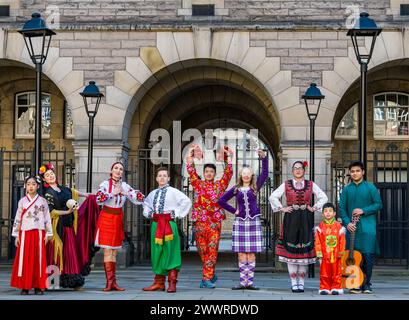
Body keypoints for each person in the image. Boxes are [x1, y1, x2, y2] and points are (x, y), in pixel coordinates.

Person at [269, 161, 328, 293]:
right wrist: (282, 208)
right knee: (291, 249)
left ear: (304, 170)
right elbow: (273, 196)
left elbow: (323, 197)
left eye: (300, 168)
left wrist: (314, 207)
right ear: (292, 170)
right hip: (291, 218)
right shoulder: (286, 184)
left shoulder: (310, 184)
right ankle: (293, 283)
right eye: (295, 168)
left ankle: (301, 283)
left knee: (304, 249)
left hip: (306, 218)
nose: (298, 170)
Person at [218, 149, 268, 290]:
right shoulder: (236, 189)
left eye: (248, 173)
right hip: (240, 222)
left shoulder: (255, 187)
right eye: (244, 173)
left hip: (253, 222)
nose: (246, 175)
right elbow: (221, 201)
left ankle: (249, 282)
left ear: (251, 175)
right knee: (241, 253)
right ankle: (242, 282)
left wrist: (263, 158)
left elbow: (264, 173)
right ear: (241, 175)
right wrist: (234, 211)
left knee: (251, 253)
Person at [40, 163, 95, 290]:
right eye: (47, 175)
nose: (50, 176)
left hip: (68, 226)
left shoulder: (64, 189)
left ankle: (73, 281)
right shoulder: (47, 193)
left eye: (51, 174)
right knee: (55, 254)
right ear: (44, 179)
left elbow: (74, 192)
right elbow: (51, 212)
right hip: (56, 228)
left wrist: (89, 196)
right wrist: (67, 212)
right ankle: (49, 281)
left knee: (69, 254)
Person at [186, 144, 233, 288]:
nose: (208, 173)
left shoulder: (220, 186)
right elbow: (191, 171)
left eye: (211, 171)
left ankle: (206, 278)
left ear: (214, 173)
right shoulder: (198, 184)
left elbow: (228, 174)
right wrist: (190, 154)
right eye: (206, 171)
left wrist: (229, 158)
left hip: (214, 223)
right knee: (202, 250)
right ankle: (210, 273)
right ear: (204, 172)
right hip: (200, 222)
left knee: (212, 250)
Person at [95, 161, 145, 291]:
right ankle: (109, 283)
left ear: (122, 172)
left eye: (121, 169)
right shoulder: (105, 184)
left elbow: (139, 198)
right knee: (107, 250)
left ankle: (113, 282)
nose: (118, 171)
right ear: (111, 171)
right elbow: (99, 198)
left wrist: (126, 193)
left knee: (114, 252)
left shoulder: (125, 186)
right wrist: (113, 193)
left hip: (117, 218)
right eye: (116, 168)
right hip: (106, 217)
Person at [142, 167, 192, 293]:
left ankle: (172, 282)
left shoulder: (174, 192)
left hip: (169, 224)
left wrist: (176, 213)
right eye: (160, 175)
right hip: (156, 224)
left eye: (165, 175)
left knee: (171, 251)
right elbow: (146, 204)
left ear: (169, 178)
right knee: (157, 251)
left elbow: (187, 201)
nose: (162, 178)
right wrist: (148, 213)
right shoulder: (152, 193)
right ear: (156, 178)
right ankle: (159, 282)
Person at [339, 161, 382, 294]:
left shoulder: (371, 188)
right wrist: (347, 223)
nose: (355, 173)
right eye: (352, 171)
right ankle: (354, 283)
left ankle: (366, 284)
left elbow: (378, 204)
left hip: (368, 228)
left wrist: (363, 210)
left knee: (368, 256)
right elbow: (342, 208)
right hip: (352, 230)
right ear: (350, 173)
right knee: (352, 257)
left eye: (357, 171)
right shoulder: (346, 190)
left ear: (363, 172)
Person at [10, 176, 53, 295]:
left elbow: (47, 218)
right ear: (25, 186)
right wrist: (16, 235)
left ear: (38, 186)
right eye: (28, 184)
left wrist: (49, 233)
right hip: (25, 233)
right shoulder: (22, 201)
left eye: (33, 184)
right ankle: (25, 286)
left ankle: (38, 286)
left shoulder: (43, 201)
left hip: (39, 233)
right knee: (25, 260)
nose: (31, 186)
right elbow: (18, 218)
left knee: (38, 260)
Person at [314, 202, 346, 295]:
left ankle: (336, 287)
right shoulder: (320, 227)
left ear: (334, 213)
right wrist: (319, 253)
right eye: (326, 211)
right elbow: (318, 242)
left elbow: (342, 241)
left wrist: (341, 252)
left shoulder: (338, 226)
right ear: (322, 213)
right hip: (324, 254)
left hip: (336, 254)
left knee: (336, 271)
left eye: (330, 211)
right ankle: (324, 287)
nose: (328, 213)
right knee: (324, 272)